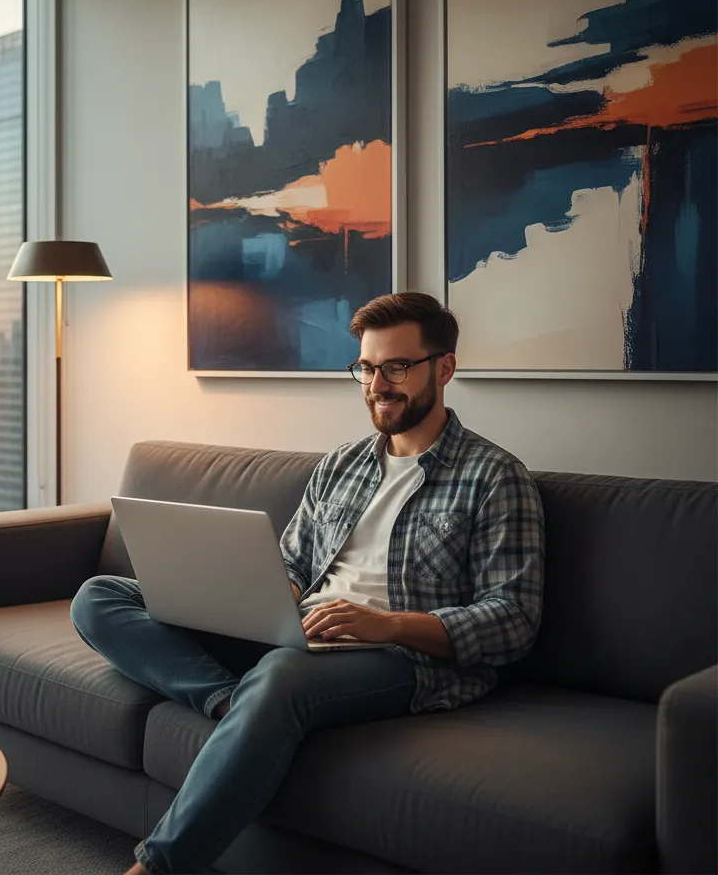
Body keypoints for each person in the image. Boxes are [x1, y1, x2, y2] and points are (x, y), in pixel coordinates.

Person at [70, 291, 545, 875]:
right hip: (298, 637)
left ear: (443, 368)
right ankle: (229, 702)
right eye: (367, 368)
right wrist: (268, 599)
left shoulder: (496, 477)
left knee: (282, 674)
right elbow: (293, 563)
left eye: (397, 367)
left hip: (398, 657)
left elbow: (514, 619)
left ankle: (158, 867)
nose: (377, 384)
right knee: (100, 596)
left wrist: (386, 624)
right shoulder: (340, 464)